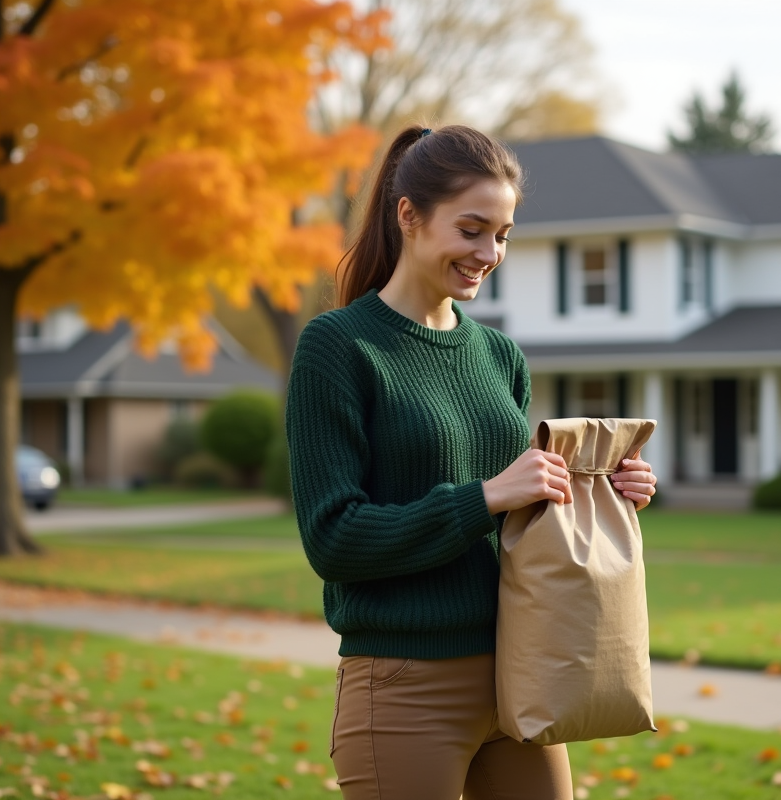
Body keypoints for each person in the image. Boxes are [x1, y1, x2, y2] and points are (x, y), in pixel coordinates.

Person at [285, 124, 658, 800]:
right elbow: (333, 538)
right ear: (410, 216)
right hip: (404, 686)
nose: (489, 253)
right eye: (473, 229)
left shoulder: (499, 357)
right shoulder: (338, 347)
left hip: (521, 672)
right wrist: (481, 498)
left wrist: (601, 491)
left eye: (504, 235)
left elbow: (521, 516)